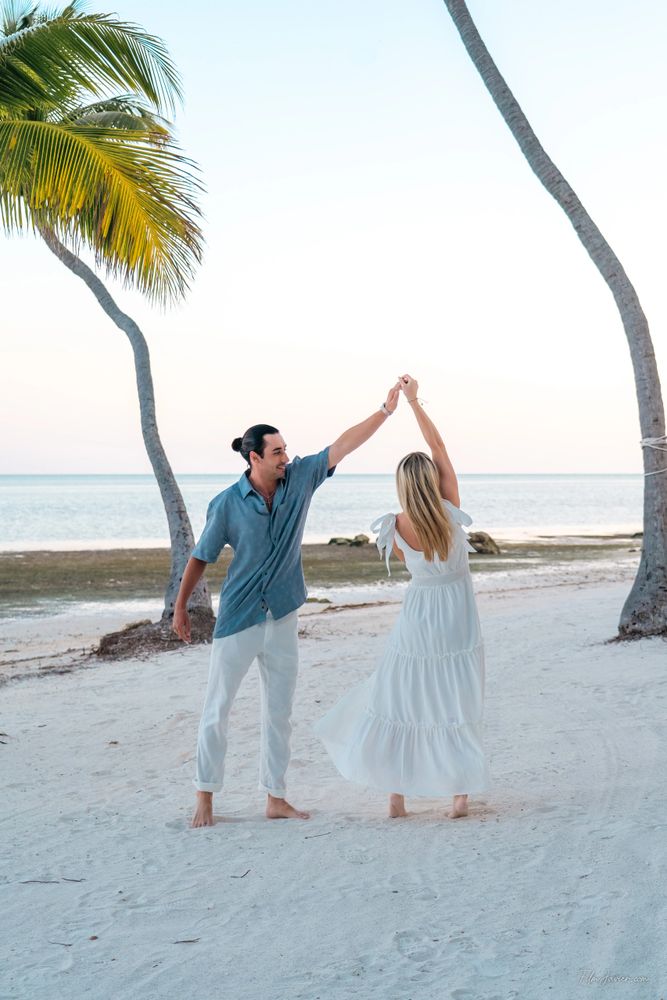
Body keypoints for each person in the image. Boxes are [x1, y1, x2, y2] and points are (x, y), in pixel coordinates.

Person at [173, 382, 402, 828]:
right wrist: (181, 608)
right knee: (217, 709)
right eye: (276, 452)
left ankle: (275, 797)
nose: (285, 457)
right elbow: (200, 557)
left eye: (285, 449)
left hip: (282, 614)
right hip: (238, 617)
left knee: (280, 713)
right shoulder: (225, 504)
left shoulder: (300, 480)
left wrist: (385, 411)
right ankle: (205, 796)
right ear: (254, 457)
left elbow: (342, 446)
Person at [314, 374, 491, 819]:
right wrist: (414, 403)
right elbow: (441, 450)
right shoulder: (449, 511)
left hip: (418, 615)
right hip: (456, 616)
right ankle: (459, 795)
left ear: (401, 486)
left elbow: (410, 565)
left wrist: (396, 405)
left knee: (400, 695)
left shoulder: (394, 526)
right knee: (455, 698)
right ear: (432, 480)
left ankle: (396, 796)